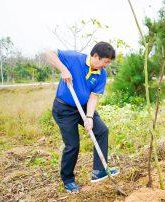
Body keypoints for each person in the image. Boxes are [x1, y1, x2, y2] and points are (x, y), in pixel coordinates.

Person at [45, 42, 120, 192]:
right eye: (105, 62)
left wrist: (90, 117)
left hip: (84, 106)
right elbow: (49, 53)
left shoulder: (101, 74)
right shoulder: (74, 58)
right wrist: (63, 69)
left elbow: (93, 97)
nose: (105, 66)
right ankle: (68, 180)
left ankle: (99, 171)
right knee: (73, 145)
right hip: (64, 109)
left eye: (108, 63)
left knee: (102, 130)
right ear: (95, 56)